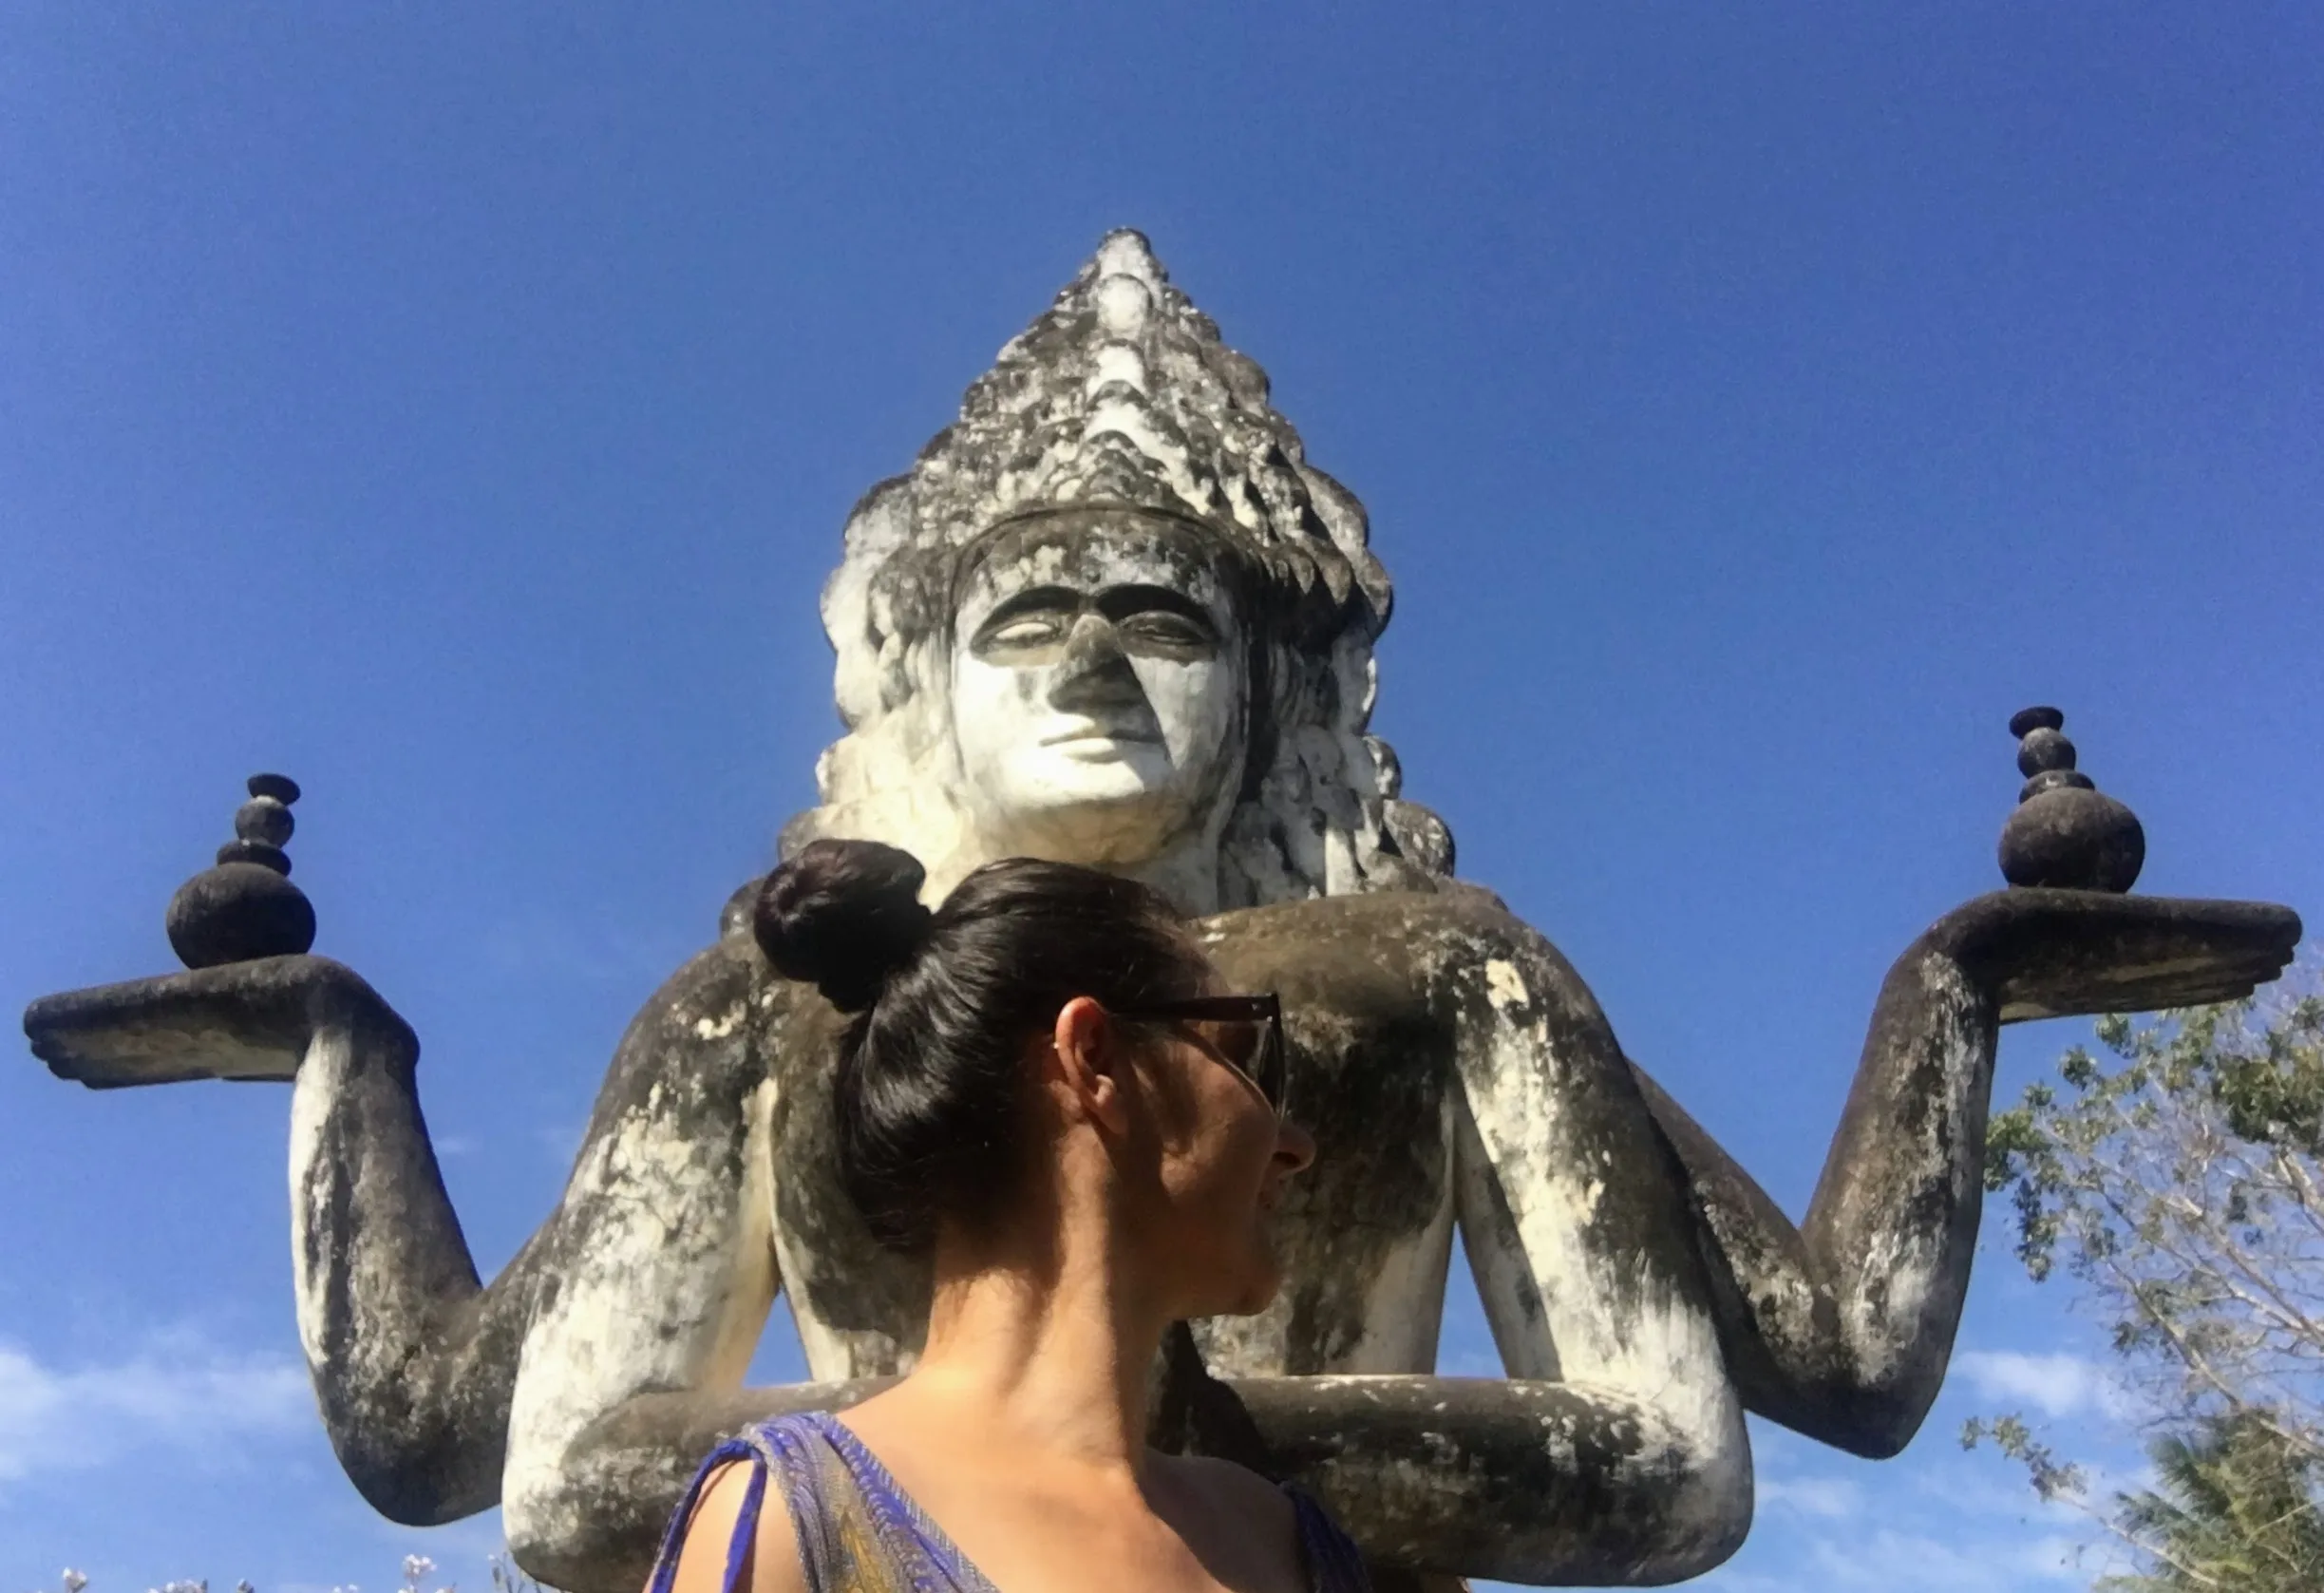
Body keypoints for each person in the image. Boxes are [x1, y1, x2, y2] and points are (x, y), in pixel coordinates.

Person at [645, 838, 1369, 1593]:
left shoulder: (1295, 1544)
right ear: (1093, 1059)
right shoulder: (798, 1529)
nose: (1297, 1145)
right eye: (1246, 1055)